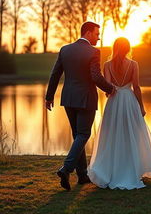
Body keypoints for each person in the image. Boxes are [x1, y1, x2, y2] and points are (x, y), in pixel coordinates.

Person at [45, 21, 115, 191]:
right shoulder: (93, 52)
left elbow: (55, 74)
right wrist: (111, 89)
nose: (98, 37)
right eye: (97, 34)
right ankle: (66, 169)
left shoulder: (65, 49)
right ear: (89, 32)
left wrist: (49, 97)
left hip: (68, 98)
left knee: (78, 135)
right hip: (85, 99)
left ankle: (82, 175)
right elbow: (96, 77)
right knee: (83, 134)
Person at [87, 37, 151, 190]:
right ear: (128, 48)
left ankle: (112, 170)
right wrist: (141, 106)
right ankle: (132, 169)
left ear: (114, 48)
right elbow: (137, 87)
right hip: (129, 101)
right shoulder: (134, 64)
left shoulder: (107, 65)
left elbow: (108, 89)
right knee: (132, 134)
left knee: (112, 135)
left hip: (114, 103)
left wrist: (114, 90)